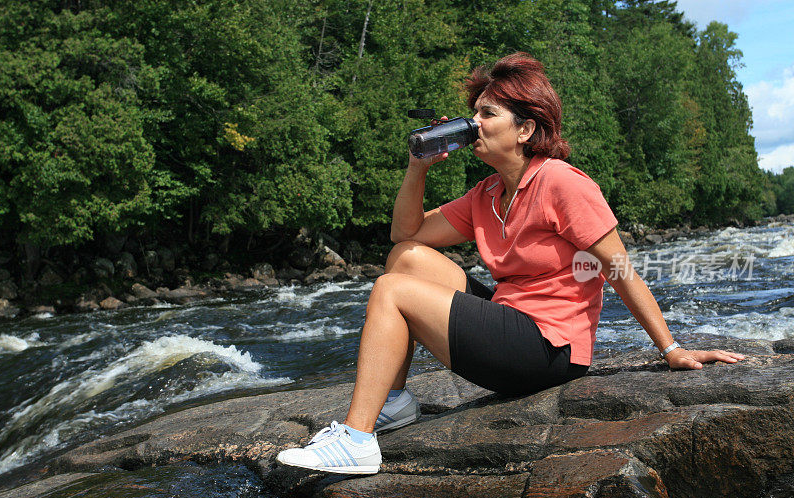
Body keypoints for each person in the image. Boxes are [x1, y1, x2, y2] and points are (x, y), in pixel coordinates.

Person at [276, 52, 745, 475]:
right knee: (405, 262)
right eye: (474, 112)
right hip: (510, 323)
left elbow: (619, 270)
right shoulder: (488, 193)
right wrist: (418, 166)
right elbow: (407, 235)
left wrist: (671, 350)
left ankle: (357, 440)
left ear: (525, 129)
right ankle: (394, 402)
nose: (474, 123)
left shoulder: (562, 183)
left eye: (487, 113)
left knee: (391, 292)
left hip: (549, 349)